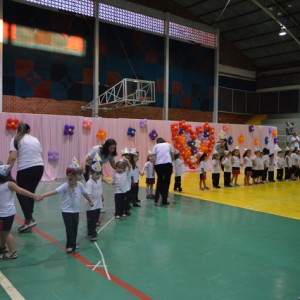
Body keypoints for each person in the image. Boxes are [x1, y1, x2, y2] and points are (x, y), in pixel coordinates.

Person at [38, 158, 93, 253]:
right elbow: (55, 191)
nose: (70, 178)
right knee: (69, 227)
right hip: (66, 211)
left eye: (74, 176)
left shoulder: (80, 185)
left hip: (76, 210)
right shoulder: (65, 185)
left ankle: (73, 243)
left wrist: (90, 201)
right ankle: (69, 245)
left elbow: (85, 193)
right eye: (69, 176)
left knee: (75, 226)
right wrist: (43, 195)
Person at [7, 122, 44, 233]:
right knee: (30, 193)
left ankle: (29, 219)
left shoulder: (15, 139)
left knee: (20, 192)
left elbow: (12, 157)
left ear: (18, 130)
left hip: (25, 168)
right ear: (29, 130)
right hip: (39, 168)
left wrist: (6, 171)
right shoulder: (35, 139)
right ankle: (29, 218)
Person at [0, 164, 41, 259]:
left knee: (6, 233)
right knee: (1, 231)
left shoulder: (9, 184)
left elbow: (21, 191)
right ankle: (2, 248)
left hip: (7, 214)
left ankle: (13, 252)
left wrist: (34, 196)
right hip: (2, 214)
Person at [86, 155, 103, 242]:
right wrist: (90, 201)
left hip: (98, 205)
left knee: (95, 219)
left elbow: (99, 191)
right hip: (92, 205)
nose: (98, 176)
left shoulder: (97, 181)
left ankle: (92, 231)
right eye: (96, 174)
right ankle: (92, 233)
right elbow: (88, 193)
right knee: (91, 220)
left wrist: (102, 197)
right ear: (91, 173)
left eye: (99, 174)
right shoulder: (90, 183)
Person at [152, 137, 174, 205]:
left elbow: (154, 158)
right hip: (167, 164)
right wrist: (171, 162)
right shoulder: (168, 144)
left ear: (157, 142)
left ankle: (156, 199)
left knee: (159, 181)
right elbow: (172, 155)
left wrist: (154, 167)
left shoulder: (155, 146)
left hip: (158, 165)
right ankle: (164, 200)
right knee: (166, 182)